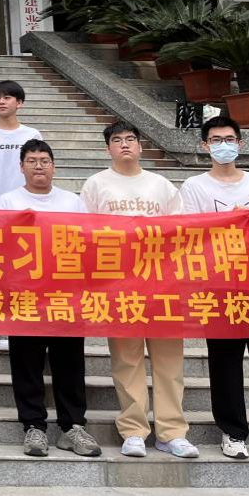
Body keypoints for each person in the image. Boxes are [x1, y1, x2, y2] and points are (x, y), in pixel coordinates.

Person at [81, 121, 196, 460]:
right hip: (118, 285)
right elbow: (83, 233)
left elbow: (182, 232)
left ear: (141, 146)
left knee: (169, 362)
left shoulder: (161, 185)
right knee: (126, 360)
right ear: (108, 148)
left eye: (131, 139)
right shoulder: (96, 184)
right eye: (117, 140)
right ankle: (133, 431)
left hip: (161, 286)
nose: (125, 144)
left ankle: (172, 433)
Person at [181, 114, 249, 462]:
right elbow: (191, 238)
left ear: (240, 144)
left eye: (229, 139)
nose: (223, 145)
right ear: (205, 145)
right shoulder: (194, 187)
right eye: (215, 140)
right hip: (219, 287)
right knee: (225, 363)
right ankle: (233, 432)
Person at [0, 139, 101, 459]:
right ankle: (33, 426)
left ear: (54, 166)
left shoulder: (72, 201)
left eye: (44, 160)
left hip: (66, 296)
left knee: (70, 362)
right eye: (31, 160)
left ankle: (73, 427)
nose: (38, 165)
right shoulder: (7, 202)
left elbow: (89, 243)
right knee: (26, 363)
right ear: (21, 167)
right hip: (25, 295)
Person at [0, 81, 42, 354]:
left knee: (28, 268)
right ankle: (3, 327)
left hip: (28, 211)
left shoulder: (32, 134)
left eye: (7, 97)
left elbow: (39, 166)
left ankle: (29, 320)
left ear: (20, 103)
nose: (1, 102)